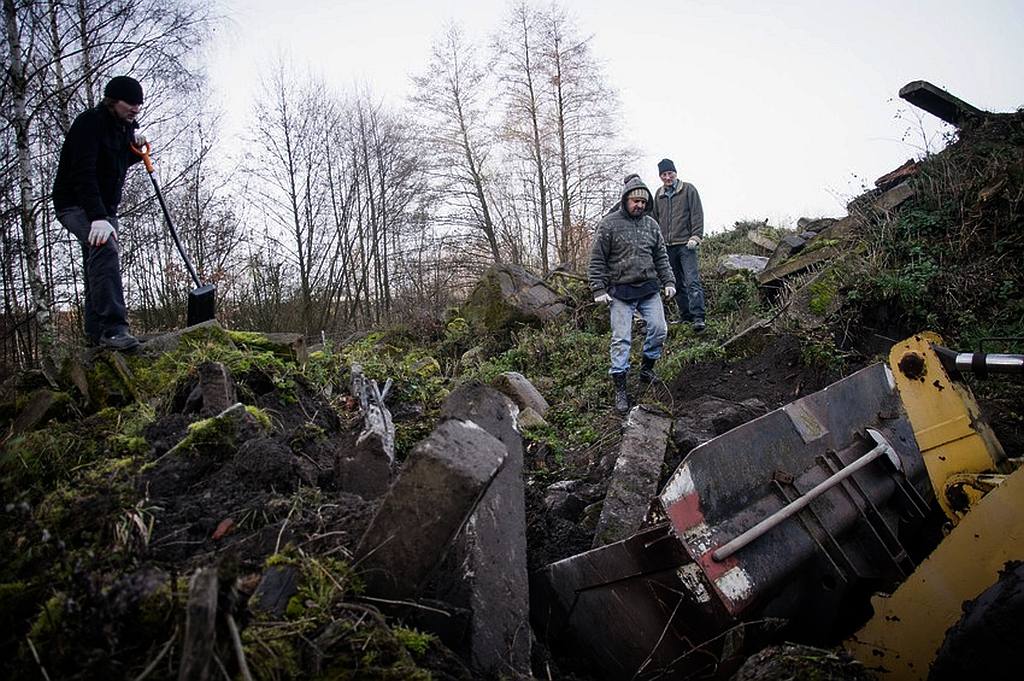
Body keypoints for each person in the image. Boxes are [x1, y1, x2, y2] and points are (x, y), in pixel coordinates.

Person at [52, 75, 147, 350]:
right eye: (130, 103)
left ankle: (95, 336)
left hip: (104, 209)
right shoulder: (89, 123)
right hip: (75, 204)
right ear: (113, 100)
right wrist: (97, 218)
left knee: (96, 261)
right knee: (104, 247)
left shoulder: (124, 129)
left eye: (139, 104)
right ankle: (114, 329)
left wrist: (134, 152)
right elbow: (84, 173)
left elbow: (113, 166)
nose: (135, 108)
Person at [589, 176, 676, 414]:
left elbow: (661, 256)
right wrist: (598, 288)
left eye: (642, 202)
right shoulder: (609, 224)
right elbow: (597, 259)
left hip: (648, 288)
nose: (639, 205)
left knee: (659, 329)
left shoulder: (651, 225)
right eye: (635, 200)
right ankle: (620, 388)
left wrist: (668, 281)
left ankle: (647, 368)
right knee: (621, 339)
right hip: (620, 291)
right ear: (626, 199)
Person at [652, 158, 706, 332]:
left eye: (670, 173)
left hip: (685, 244)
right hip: (667, 247)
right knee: (675, 283)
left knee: (692, 281)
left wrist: (696, 236)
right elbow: (654, 219)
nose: (667, 177)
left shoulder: (688, 190)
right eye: (664, 175)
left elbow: (697, 213)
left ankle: (698, 316)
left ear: (675, 173)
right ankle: (686, 315)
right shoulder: (658, 194)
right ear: (660, 176)